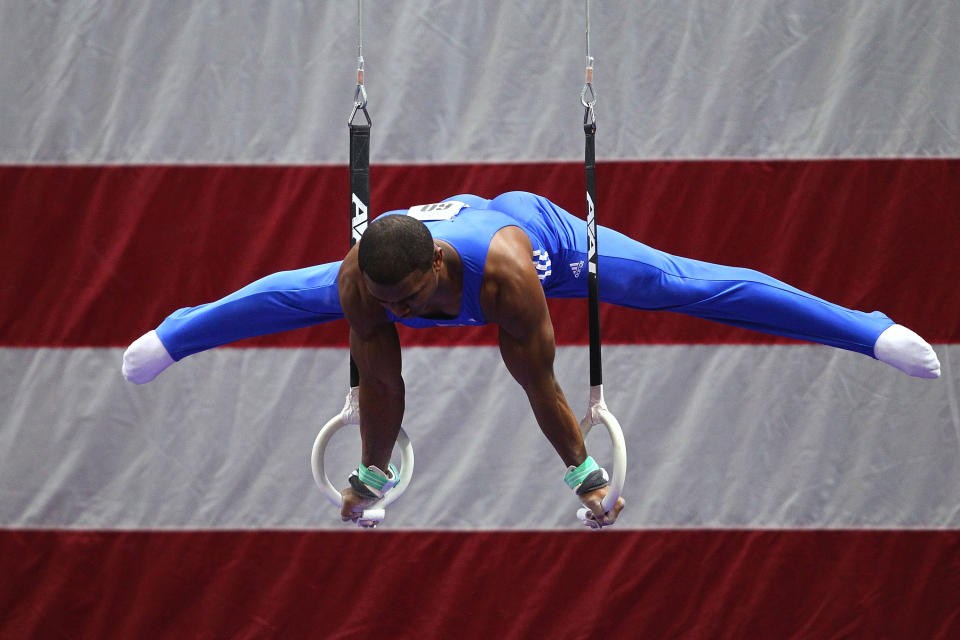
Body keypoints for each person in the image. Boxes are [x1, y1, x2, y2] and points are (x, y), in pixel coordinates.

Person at [121, 191, 941, 528]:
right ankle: (169, 337)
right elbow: (382, 381)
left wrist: (584, 473)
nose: (404, 316)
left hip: (536, 234)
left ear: (438, 269)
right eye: (392, 305)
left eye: (411, 300)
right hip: (403, 245)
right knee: (276, 296)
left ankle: (865, 329)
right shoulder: (369, 284)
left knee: (683, 285)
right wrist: (372, 478)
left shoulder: (507, 280)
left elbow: (539, 384)